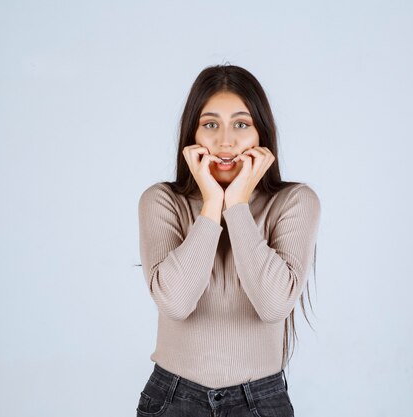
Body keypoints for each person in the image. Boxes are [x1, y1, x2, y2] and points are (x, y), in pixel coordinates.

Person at [136, 64, 321, 417]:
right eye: (210, 124)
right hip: (173, 399)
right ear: (192, 135)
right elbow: (175, 302)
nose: (225, 141)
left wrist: (237, 205)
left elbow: (273, 305)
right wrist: (211, 204)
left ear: (261, 135)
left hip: (260, 401)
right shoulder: (161, 201)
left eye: (240, 124)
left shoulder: (294, 201)